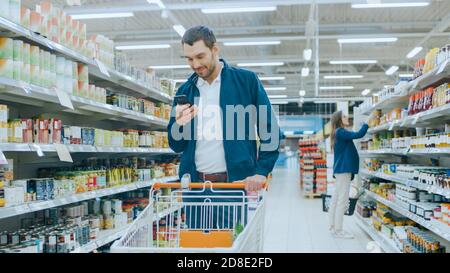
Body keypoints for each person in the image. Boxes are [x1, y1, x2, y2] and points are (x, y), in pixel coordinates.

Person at [167, 26, 280, 229]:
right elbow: (176, 145)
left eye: (200, 56)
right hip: (195, 189)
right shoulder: (185, 90)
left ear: (215, 49)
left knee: (234, 248)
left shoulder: (246, 81)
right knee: (198, 249)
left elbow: (270, 130)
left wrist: (261, 171)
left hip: (234, 186)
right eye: (189, 59)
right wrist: (178, 124)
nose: (195, 64)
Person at [328, 110, 368, 239]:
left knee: (336, 199)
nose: (347, 117)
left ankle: (333, 227)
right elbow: (359, 134)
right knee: (342, 201)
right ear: (339, 119)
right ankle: (339, 230)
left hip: (341, 170)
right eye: (344, 116)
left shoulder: (337, 133)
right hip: (344, 170)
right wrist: (367, 123)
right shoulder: (341, 132)